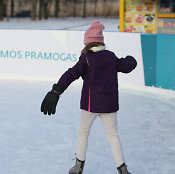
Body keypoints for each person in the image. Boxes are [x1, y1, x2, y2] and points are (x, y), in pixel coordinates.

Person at [40, 20, 137, 174]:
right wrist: (131, 61)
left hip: (90, 106)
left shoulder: (86, 58)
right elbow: (126, 66)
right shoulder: (111, 56)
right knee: (113, 136)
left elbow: (71, 73)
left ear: (88, 43)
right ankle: (123, 169)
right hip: (109, 105)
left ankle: (78, 167)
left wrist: (56, 91)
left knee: (83, 134)